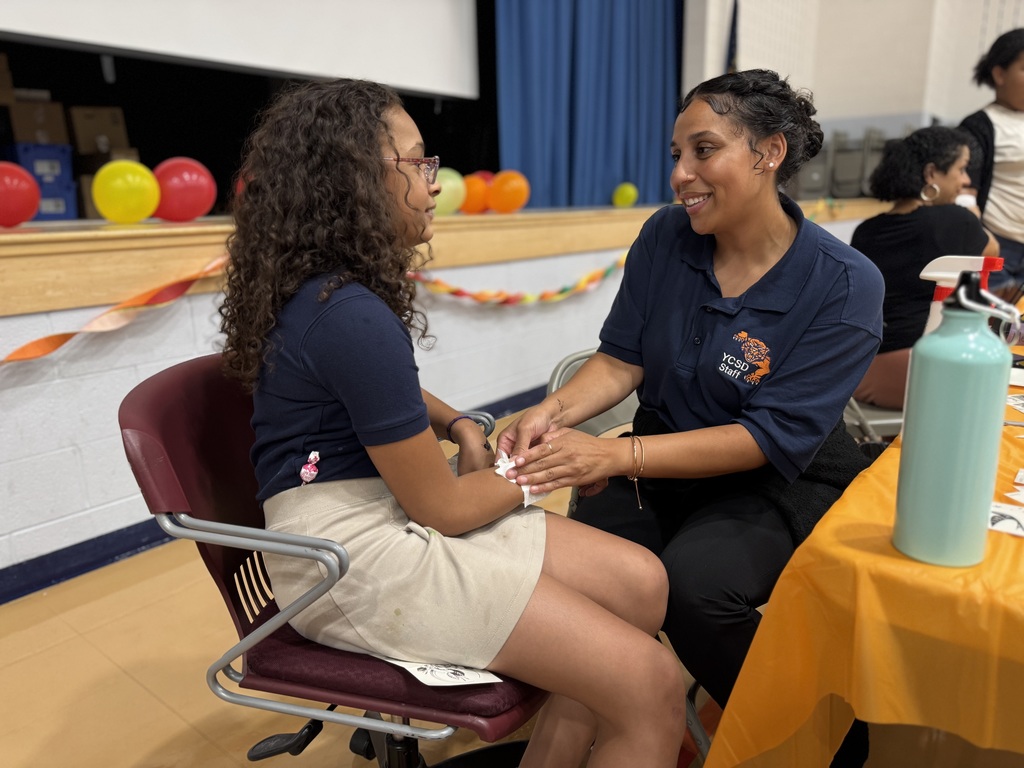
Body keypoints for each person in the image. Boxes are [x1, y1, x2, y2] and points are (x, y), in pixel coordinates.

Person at [218, 78, 687, 767]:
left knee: (640, 584)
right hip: (344, 564)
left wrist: (465, 427)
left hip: (367, 518)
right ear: (355, 180)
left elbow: (389, 396)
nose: (435, 182)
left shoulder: (323, 290)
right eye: (417, 163)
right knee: (652, 682)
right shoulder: (349, 315)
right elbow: (443, 508)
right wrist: (534, 470)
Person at [497, 69, 883, 766]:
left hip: (776, 481)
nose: (681, 175)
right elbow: (620, 361)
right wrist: (549, 412)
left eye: (703, 151)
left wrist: (612, 456)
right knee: (583, 585)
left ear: (768, 153)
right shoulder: (667, 237)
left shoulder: (844, 284)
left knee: (696, 591)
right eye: (676, 154)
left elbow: (766, 438)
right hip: (656, 464)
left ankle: (818, 736)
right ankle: (619, 721)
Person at [849, 126, 998, 409]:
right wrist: (973, 214)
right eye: (961, 169)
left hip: (862, 375)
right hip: (923, 369)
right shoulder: (956, 219)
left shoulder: (865, 231)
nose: (965, 180)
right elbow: (992, 253)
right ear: (931, 174)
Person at [959, 28, 1024, 297]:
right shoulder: (978, 126)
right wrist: (984, 241)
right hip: (999, 251)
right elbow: (963, 195)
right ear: (999, 74)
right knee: (994, 332)